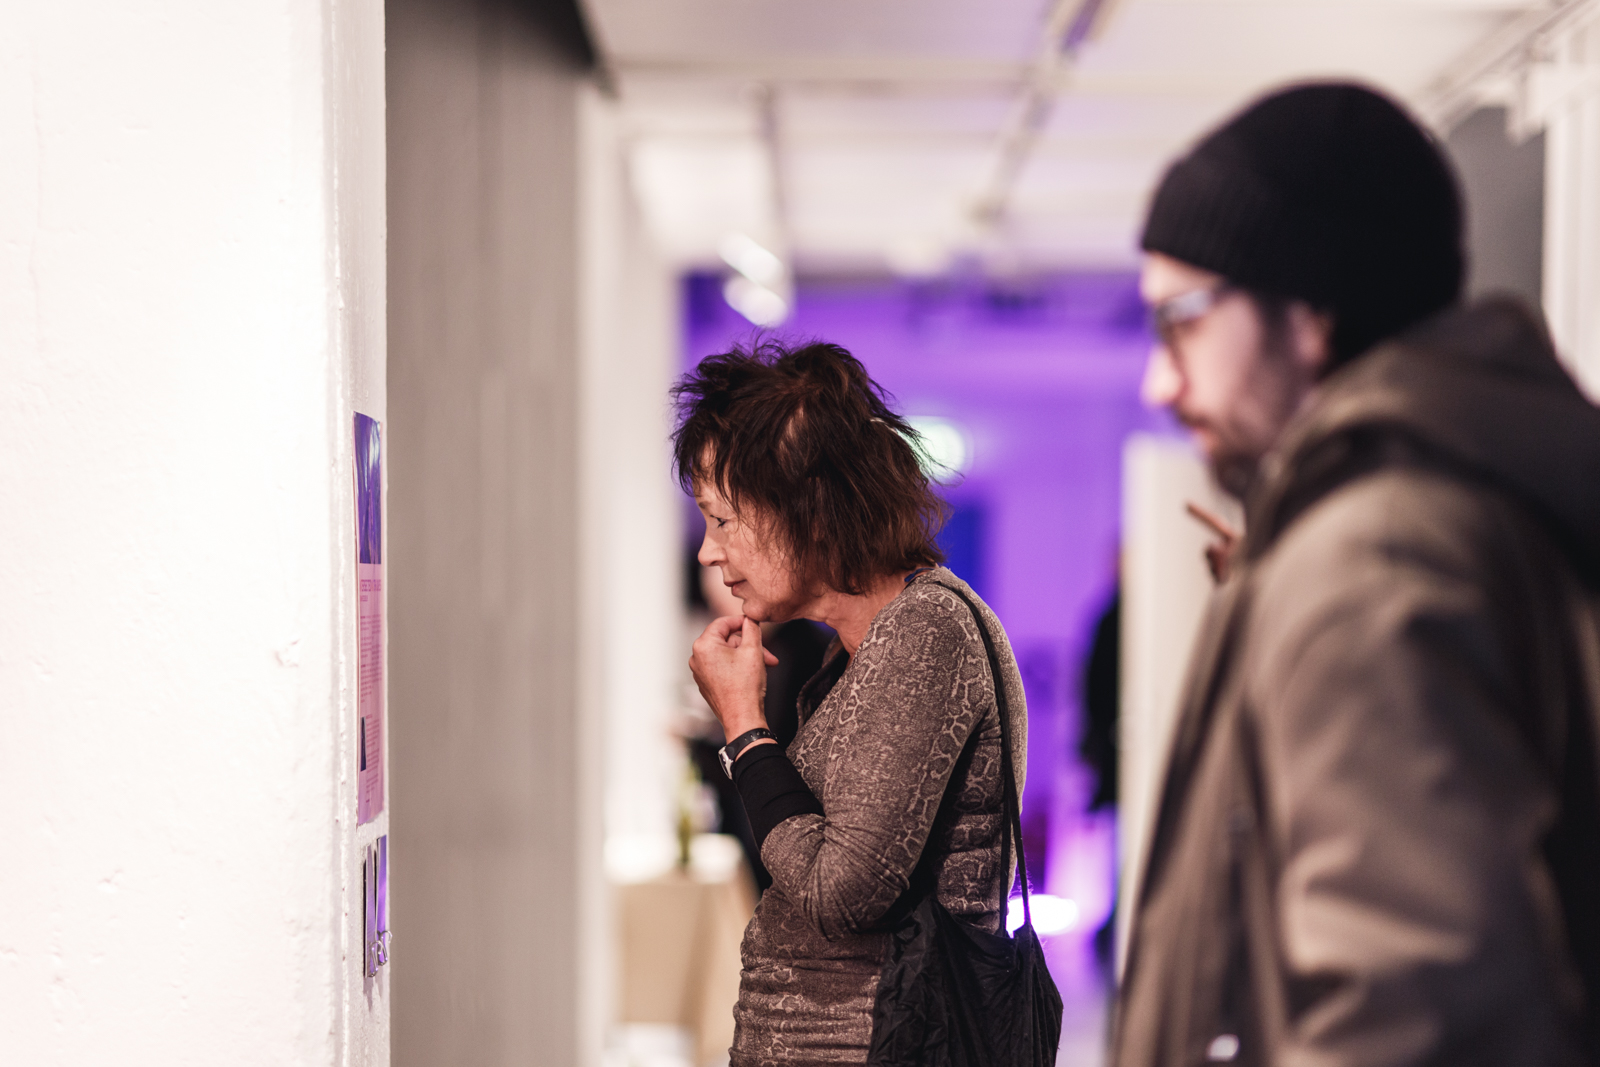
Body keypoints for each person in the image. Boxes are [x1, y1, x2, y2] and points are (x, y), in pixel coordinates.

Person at [1113, 82, 1600, 1066]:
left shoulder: (1371, 560)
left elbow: (1417, 1018)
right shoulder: (1429, 512)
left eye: (1183, 320)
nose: (1160, 381)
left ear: (1307, 313)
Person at [674, 340, 1029, 1065]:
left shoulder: (925, 629)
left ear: (808, 510)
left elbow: (840, 892)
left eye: (723, 519)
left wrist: (743, 725)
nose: (708, 551)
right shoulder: (858, 646)